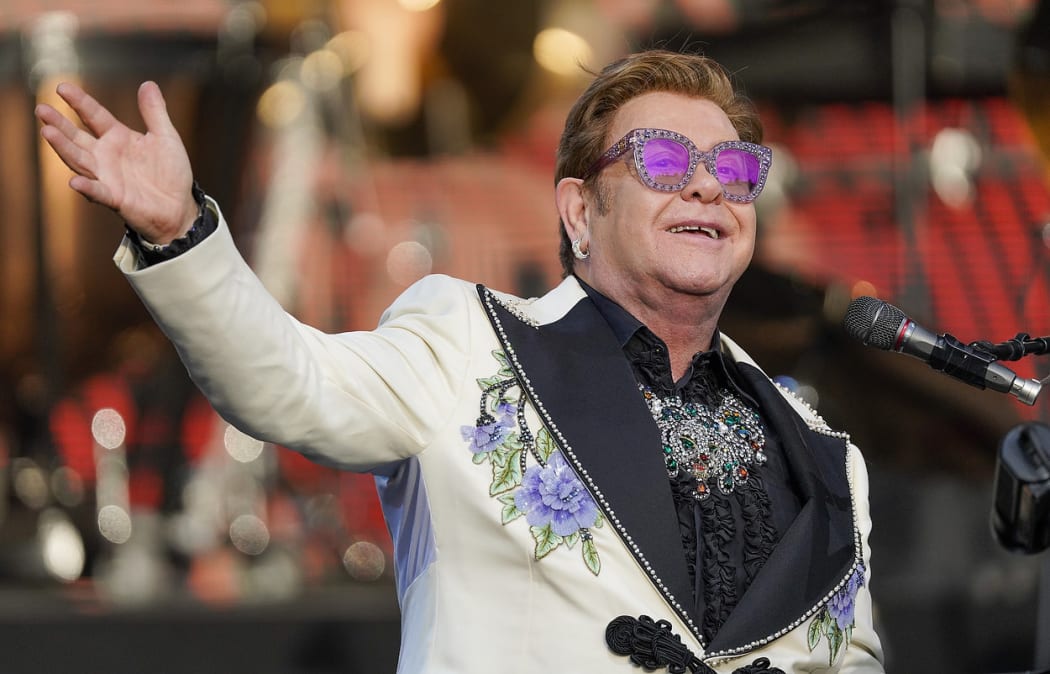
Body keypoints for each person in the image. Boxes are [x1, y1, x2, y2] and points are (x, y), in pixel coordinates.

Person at [36, 49, 884, 673]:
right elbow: (288, 382)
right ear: (579, 211)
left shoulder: (823, 455)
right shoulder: (471, 346)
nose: (706, 186)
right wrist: (179, 232)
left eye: (734, 169)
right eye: (663, 160)